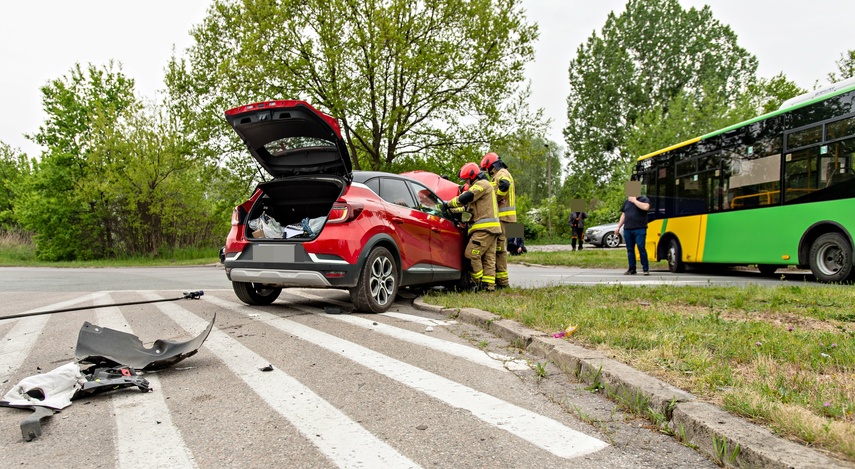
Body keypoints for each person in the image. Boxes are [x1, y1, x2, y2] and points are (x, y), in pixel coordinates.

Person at [446, 162, 502, 292]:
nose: (466, 182)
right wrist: (452, 211)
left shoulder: (481, 184)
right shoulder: (484, 189)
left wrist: (447, 204)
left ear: (472, 176)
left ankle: (476, 282)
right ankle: (488, 287)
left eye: (466, 179)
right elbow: (467, 208)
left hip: (484, 229)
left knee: (471, 254)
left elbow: (465, 198)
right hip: (492, 229)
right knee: (488, 258)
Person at [480, 152, 516, 290]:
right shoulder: (501, 173)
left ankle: (502, 282)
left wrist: (495, 198)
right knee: (498, 249)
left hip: (502, 217)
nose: (488, 172)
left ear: (492, 166)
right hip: (502, 217)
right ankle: (500, 280)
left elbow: (504, 185)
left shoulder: (501, 173)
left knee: (499, 250)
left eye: (487, 169)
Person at [615, 177, 651, 275]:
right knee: (630, 250)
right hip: (628, 229)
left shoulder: (644, 199)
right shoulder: (626, 202)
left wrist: (634, 201)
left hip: (640, 228)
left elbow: (646, 207)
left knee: (641, 248)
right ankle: (632, 268)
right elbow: (624, 214)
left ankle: (645, 268)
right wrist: (618, 227)